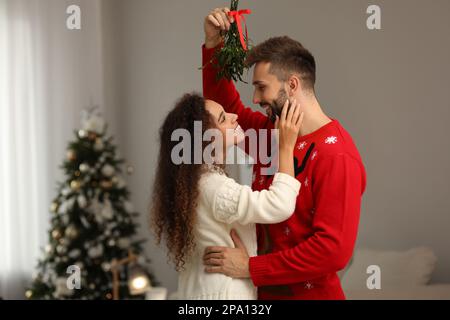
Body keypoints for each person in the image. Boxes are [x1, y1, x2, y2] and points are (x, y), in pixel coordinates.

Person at [202, 7, 367, 300]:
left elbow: (332, 251)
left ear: (292, 85)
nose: (254, 99)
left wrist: (252, 267)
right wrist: (214, 44)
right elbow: (224, 111)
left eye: (261, 88)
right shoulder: (271, 134)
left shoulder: (337, 156)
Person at [150, 92, 304, 299]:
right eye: (223, 118)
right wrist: (285, 147)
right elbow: (280, 205)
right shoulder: (212, 186)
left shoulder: (195, 183)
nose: (234, 116)